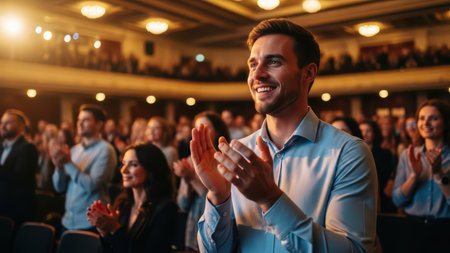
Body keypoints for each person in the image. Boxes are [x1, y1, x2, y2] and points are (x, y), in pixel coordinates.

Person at [190, 18, 378, 252]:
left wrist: (271, 199)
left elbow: (354, 251)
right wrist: (218, 196)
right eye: (253, 64)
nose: (257, 75)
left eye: (274, 62)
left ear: (308, 73)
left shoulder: (348, 153)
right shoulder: (238, 154)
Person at [87, 143, 177, 253]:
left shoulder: (166, 208)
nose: (123, 170)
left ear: (150, 169)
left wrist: (115, 229)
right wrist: (105, 232)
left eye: (133, 165)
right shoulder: (123, 202)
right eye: (123, 164)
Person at [392, 99, 450, 252]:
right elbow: (397, 200)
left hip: (444, 230)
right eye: (422, 118)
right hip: (413, 228)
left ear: (446, 122)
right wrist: (414, 176)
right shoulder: (408, 155)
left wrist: (439, 174)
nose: (426, 123)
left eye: (434, 118)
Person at [50, 104, 117, 234]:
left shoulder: (105, 150)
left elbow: (92, 185)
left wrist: (68, 163)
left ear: (99, 124)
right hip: (68, 220)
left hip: (90, 222)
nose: (80, 124)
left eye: (85, 120)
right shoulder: (75, 150)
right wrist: (58, 166)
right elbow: (59, 187)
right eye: (79, 120)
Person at [174, 111, 230, 251]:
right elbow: (182, 204)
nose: (199, 132)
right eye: (196, 128)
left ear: (217, 131)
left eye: (205, 128)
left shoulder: (226, 160)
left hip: (219, 230)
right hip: (193, 230)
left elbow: (219, 200)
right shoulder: (189, 161)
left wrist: (193, 178)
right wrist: (187, 180)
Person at [0, 109, 38, 225]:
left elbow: (20, 179)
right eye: (2, 123)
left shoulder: (27, 148)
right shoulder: (2, 147)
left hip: (16, 210)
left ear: (21, 126)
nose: (3, 126)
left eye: (8, 123)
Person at [359, 120, 396, 213]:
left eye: (368, 131)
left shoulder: (385, 153)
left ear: (374, 133)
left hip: (380, 196)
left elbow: (385, 176)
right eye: (361, 131)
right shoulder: (354, 154)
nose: (364, 134)